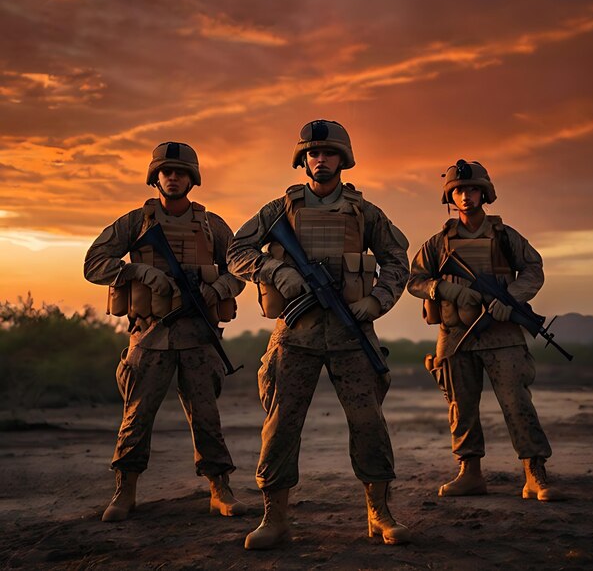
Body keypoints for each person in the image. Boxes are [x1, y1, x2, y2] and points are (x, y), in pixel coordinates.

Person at [227, 119, 411, 549]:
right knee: (280, 426)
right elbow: (237, 252)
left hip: (352, 334)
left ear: (343, 160)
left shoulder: (366, 213)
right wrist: (277, 271)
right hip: (294, 335)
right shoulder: (278, 210)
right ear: (302, 160)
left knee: (369, 424)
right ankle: (274, 519)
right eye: (313, 153)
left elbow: (397, 261)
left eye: (329, 153)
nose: (321, 159)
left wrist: (377, 301)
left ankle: (379, 513)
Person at [84, 141, 246, 522]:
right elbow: (94, 264)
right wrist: (138, 271)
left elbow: (241, 266)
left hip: (198, 337)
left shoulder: (211, 225)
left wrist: (215, 289)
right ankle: (125, 492)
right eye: (167, 172)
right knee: (136, 417)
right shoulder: (135, 223)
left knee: (207, 417)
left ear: (193, 179)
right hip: (150, 336)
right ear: (155, 177)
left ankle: (219, 489)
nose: (173, 178)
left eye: (181, 172)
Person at [407, 159, 563, 501]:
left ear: (485, 193)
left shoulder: (506, 237)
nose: (466, 196)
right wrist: (445, 289)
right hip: (456, 334)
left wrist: (511, 298)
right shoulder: (439, 243)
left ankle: (534, 472)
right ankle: (470, 471)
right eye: (459, 190)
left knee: (517, 402)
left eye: (472, 189)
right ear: (451, 195)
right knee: (460, 407)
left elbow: (533, 269)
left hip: (502, 334)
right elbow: (414, 280)